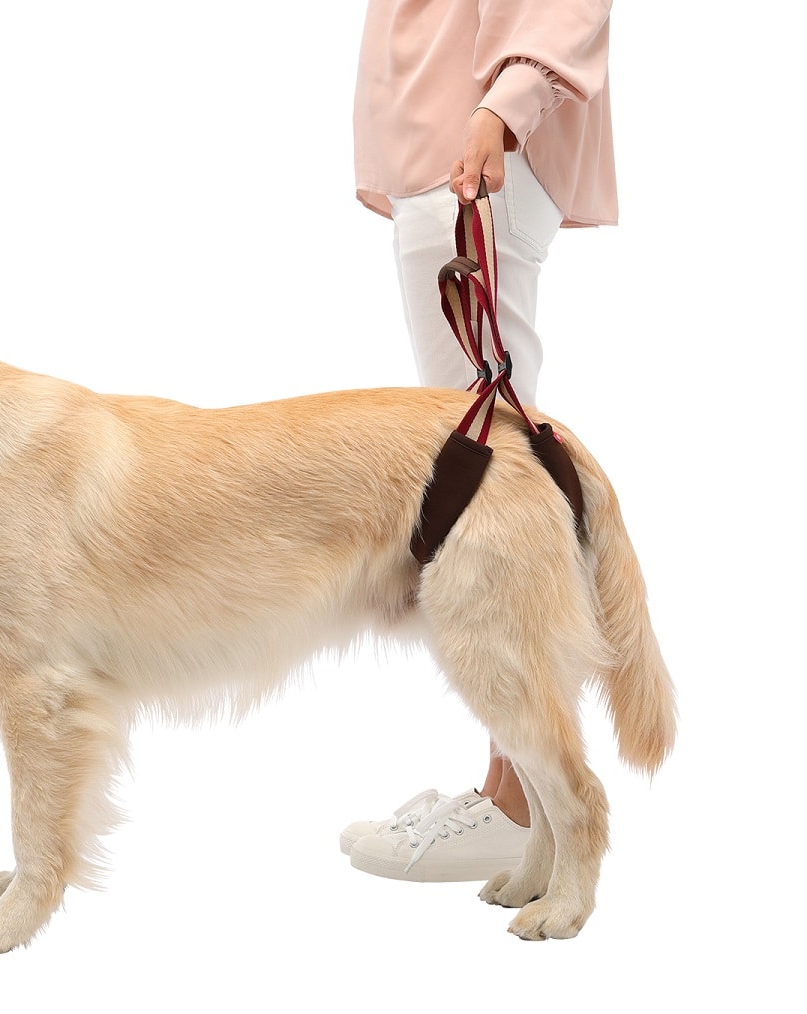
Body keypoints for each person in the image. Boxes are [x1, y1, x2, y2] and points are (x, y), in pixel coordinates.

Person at [340, 0, 616, 882]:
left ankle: (521, 802)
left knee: (484, 486)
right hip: (457, 142)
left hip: (472, 145)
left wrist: (505, 106)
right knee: (482, 474)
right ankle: (510, 787)